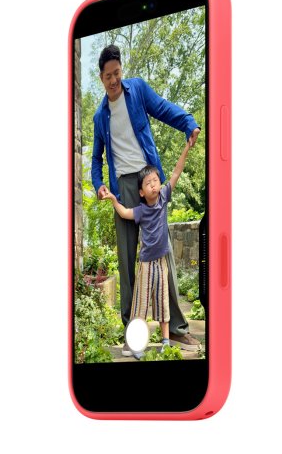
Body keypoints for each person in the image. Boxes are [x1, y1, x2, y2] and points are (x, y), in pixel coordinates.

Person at [91, 44, 201, 356]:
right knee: (127, 262)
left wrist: (188, 122)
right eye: (108, 76)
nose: (114, 80)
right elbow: (96, 160)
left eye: (117, 73)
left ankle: (176, 328)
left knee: (163, 253)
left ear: (121, 70)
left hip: (148, 179)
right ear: (101, 78)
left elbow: (163, 108)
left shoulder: (137, 89)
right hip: (122, 187)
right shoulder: (100, 116)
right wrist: (99, 185)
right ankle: (133, 333)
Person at [102, 141, 192, 358]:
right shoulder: (141, 210)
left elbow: (177, 172)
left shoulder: (164, 197)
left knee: (162, 302)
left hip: (161, 263)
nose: (153, 185)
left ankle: (165, 342)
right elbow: (124, 213)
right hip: (145, 265)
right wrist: (113, 199)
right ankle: (135, 344)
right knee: (140, 304)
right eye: (148, 183)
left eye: (155, 181)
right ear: (141, 192)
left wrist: (187, 148)